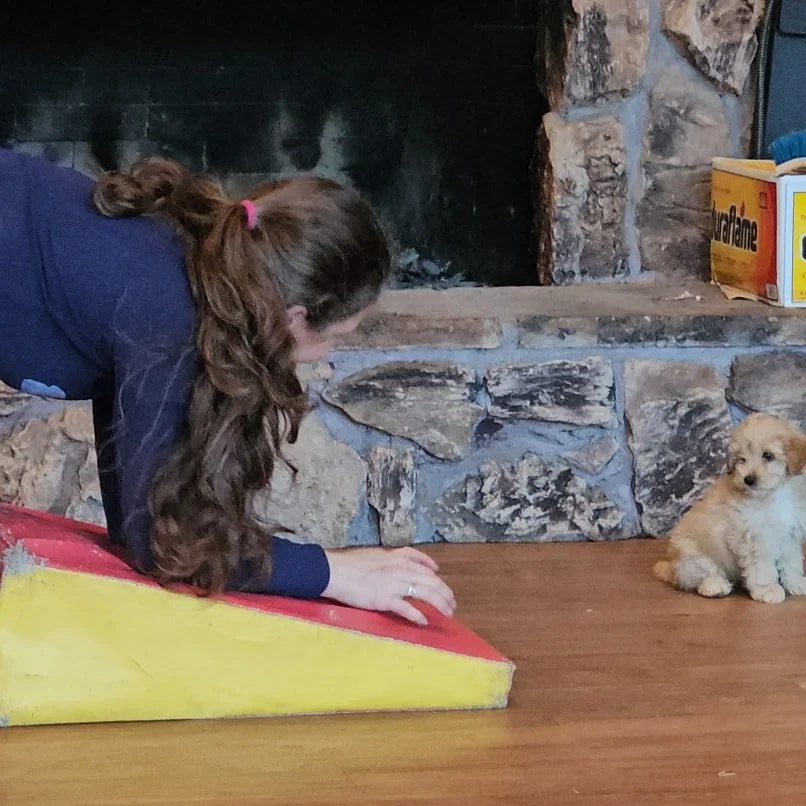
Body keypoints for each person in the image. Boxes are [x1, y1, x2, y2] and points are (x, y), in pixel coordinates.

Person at [0, 148, 456, 626]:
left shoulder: (186, 261)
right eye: (338, 336)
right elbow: (164, 543)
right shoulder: (172, 321)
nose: (329, 354)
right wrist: (332, 573)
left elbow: (137, 520)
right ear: (294, 318)